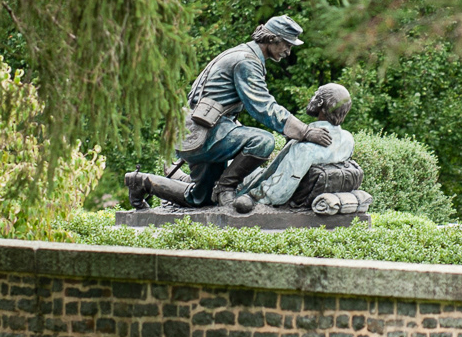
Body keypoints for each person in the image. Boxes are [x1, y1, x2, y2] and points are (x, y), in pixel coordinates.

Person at [125, 15, 334, 209]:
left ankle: (141, 181)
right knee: (263, 141)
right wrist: (305, 131)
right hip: (207, 134)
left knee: (199, 198)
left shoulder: (241, 53)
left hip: (198, 133)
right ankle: (224, 188)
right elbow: (263, 107)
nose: (288, 51)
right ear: (271, 39)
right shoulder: (247, 61)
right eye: (286, 44)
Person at [231, 83, 354, 211]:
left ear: (320, 102)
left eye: (315, 95)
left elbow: (279, 192)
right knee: (250, 173)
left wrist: (252, 196)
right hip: (311, 190)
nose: (311, 98)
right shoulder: (348, 139)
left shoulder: (306, 148)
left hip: (287, 194)